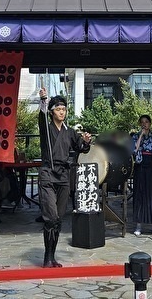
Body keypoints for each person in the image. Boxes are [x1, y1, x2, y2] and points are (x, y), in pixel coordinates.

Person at [37, 87, 92, 268]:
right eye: (59, 109)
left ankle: (52, 256)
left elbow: (81, 148)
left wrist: (86, 140)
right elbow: (42, 116)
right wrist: (44, 100)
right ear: (52, 111)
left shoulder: (69, 131)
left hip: (63, 176)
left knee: (59, 218)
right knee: (50, 217)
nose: (62, 112)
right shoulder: (47, 127)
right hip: (48, 173)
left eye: (64, 109)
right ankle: (47, 256)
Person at [130, 114, 152, 236]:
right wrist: (140, 136)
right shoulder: (135, 136)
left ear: (150, 124)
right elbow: (134, 150)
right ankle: (138, 225)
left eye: (146, 122)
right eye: (142, 122)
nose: (144, 124)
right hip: (140, 166)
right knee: (139, 195)